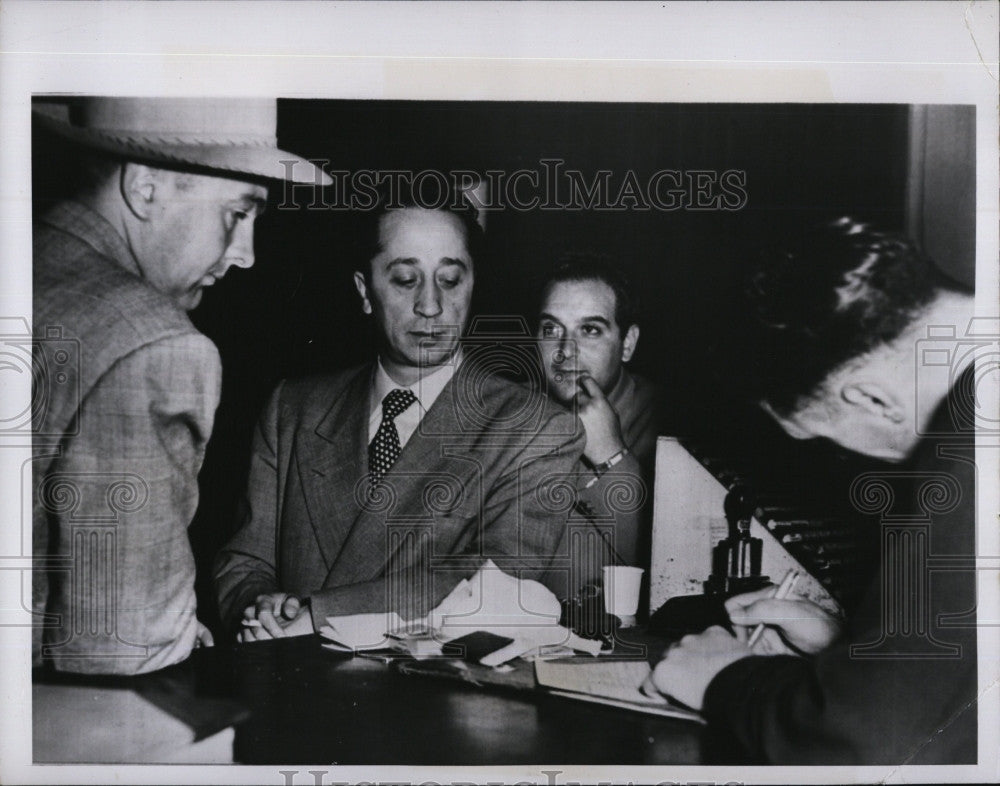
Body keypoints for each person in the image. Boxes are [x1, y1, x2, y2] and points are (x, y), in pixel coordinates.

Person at [646, 217, 979, 764]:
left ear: (873, 401)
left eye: (832, 441)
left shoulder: (968, 450)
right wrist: (854, 652)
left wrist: (726, 677)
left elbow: (871, 743)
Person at [31, 97, 331, 674]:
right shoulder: (157, 345)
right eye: (238, 213)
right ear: (145, 188)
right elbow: (123, 651)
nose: (244, 256)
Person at [214, 185, 585, 640]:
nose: (430, 305)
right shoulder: (291, 408)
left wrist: (316, 615)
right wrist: (261, 613)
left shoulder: (537, 429)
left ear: (473, 286)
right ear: (364, 290)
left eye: (450, 280)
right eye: (405, 280)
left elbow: (492, 585)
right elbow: (243, 561)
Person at [535, 253, 660, 590]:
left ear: (627, 343)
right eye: (551, 329)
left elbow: (650, 581)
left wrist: (612, 456)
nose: (564, 351)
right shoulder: (507, 411)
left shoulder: (669, 424)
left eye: (589, 330)